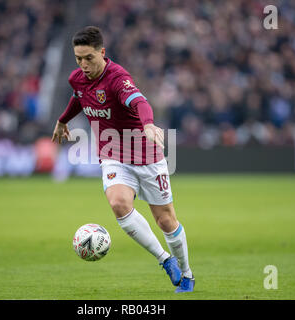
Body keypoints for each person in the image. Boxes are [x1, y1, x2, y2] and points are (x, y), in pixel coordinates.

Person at [52, 26, 194, 292]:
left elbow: (140, 101)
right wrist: (62, 121)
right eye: (78, 59)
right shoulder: (77, 79)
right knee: (118, 203)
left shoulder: (118, 78)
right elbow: (78, 99)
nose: (83, 65)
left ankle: (187, 273)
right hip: (113, 155)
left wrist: (149, 124)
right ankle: (164, 260)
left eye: (89, 58)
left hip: (147, 155)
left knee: (165, 220)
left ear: (102, 53)